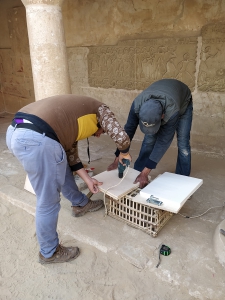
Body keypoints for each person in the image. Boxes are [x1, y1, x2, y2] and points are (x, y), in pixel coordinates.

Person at [6, 94, 131, 264]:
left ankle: (80, 203)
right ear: (101, 122)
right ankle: (49, 252)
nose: (99, 135)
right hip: (36, 139)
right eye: (102, 131)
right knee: (48, 200)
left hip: (16, 130)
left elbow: (70, 156)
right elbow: (121, 137)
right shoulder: (101, 110)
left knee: (59, 161)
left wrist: (88, 180)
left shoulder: (71, 121)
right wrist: (124, 152)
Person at [107, 78, 193, 188]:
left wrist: (146, 173)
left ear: (162, 116)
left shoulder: (172, 112)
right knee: (149, 140)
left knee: (183, 143)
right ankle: (138, 173)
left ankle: (182, 180)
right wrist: (117, 157)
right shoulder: (137, 105)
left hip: (183, 102)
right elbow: (128, 130)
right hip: (164, 94)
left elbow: (163, 142)